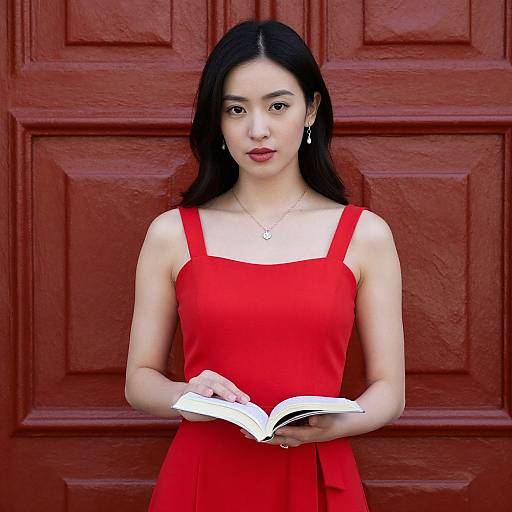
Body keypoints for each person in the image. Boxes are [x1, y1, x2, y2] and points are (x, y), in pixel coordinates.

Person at [125, 18, 405, 512]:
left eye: (278, 106)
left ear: (311, 109)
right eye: (236, 110)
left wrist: (332, 424)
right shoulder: (172, 233)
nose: (258, 129)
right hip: (203, 477)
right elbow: (140, 380)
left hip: (317, 471)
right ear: (218, 120)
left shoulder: (364, 234)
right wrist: (189, 396)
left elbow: (389, 390)